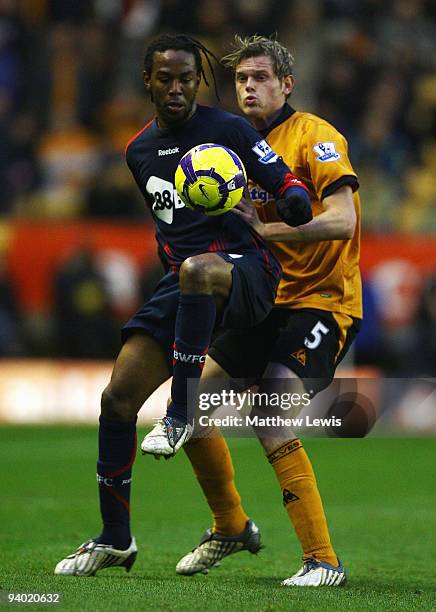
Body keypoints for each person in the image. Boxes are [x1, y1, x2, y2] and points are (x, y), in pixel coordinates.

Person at [54, 33, 312, 577]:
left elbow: (286, 182)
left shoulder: (229, 130)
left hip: (247, 271)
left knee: (199, 269)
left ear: (199, 81)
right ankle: (115, 538)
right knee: (118, 398)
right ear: (147, 81)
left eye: (186, 78)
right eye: (165, 78)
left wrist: (291, 202)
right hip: (183, 282)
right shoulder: (138, 150)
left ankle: (179, 412)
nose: (176, 88)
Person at [175, 35, 362, 587]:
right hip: (264, 299)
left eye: (260, 77)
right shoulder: (225, 148)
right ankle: (230, 525)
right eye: (241, 79)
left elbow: (343, 220)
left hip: (323, 300)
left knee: (269, 411)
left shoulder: (315, 136)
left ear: (286, 85)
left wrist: (264, 228)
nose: (249, 87)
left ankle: (323, 561)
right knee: (188, 404)